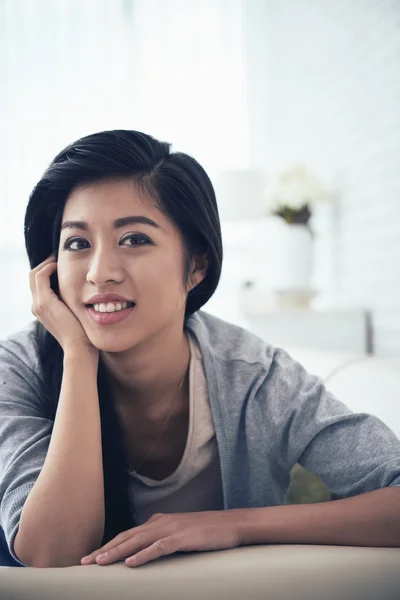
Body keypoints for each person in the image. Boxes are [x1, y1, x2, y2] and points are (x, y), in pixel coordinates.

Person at [0, 130, 400, 570]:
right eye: (78, 244)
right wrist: (77, 354)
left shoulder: (254, 376)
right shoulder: (18, 368)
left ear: (196, 265)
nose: (100, 273)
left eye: (134, 239)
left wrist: (237, 525)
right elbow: (50, 555)